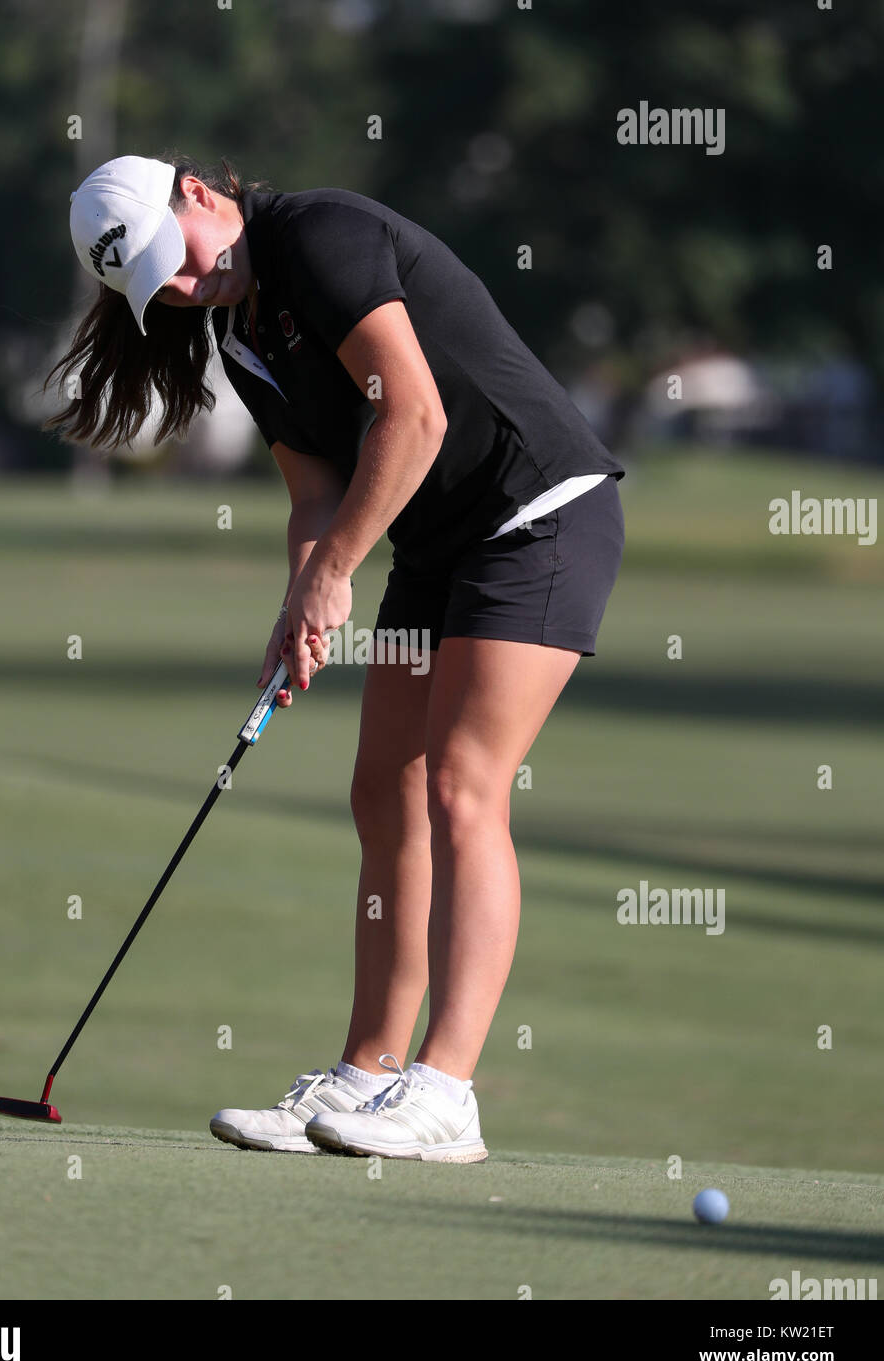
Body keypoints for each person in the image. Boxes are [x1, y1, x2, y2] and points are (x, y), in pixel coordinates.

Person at [49, 152, 625, 1163]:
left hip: (539, 514)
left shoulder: (318, 235)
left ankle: (445, 1093)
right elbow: (315, 495)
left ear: (197, 194)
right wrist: (300, 599)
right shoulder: (240, 333)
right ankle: (363, 1077)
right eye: (158, 288)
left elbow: (415, 414)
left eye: (173, 261)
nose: (182, 289)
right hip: (437, 542)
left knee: (461, 787)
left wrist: (336, 575)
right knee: (383, 795)